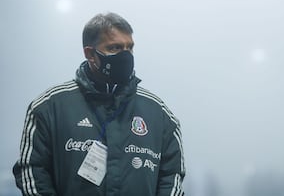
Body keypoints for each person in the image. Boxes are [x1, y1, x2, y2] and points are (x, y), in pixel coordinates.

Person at [13, 12, 185, 196]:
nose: (125, 56)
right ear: (90, 54)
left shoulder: (159, 114)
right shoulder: (48, 107)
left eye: (130, 48)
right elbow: (31, 171)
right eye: (115, 48)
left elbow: (172, 176)